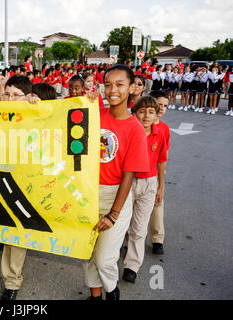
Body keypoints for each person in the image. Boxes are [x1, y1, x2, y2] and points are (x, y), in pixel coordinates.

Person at [83, 64, 149, 301]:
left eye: (120, 85)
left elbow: (128, 176)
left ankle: (112, 291)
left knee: (105, 259)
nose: (113, 90)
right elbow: (61, 118)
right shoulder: (95, 114)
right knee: (88, 252)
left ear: (132, 88)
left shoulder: (135, 129)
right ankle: (95, 294)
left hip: (116, 198)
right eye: (107, 84)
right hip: (87, 194)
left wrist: (113, 213)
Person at [0, 75, 41, 300]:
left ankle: (12, 283)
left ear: (28, 97)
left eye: (17, 95)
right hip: (1, 180)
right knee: (8, 234)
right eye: (8, 94)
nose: (11, 99)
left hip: (26, 183)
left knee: (17, 235)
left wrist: (38, 107)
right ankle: (10, 277)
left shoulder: (35, 113)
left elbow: (56, 117)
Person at [122, 96, 168, 283]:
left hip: (149, 184)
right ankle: (115, 250)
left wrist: (160, 186)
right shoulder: (128, 132)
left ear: (157, 115)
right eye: (142, 111)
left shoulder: (160, 134)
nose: (146, 116)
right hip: (127, 182)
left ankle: (132, 265)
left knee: (139, 228)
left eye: (151, 112)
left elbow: (161, 160)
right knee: (122, 223)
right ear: (134, 113)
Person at [148, 90, 170, 255]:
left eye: (165, 106)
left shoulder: (164, 128)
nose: (162, 109)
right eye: (159, 104)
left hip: (154, 174)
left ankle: (157, 239)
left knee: (157, 204)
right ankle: (128, 238)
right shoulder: (140, 121)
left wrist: (161, 185)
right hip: (134, 175)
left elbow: (162, 159)